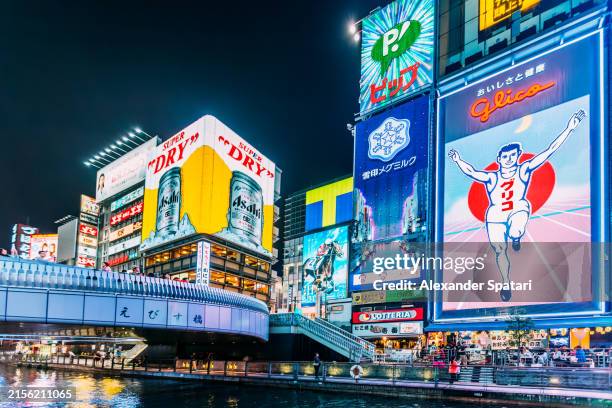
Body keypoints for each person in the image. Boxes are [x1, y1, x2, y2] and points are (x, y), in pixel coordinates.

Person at [448, 110, 586, 301]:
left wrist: (569, 128)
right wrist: (457, 160)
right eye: (505, 157)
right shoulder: (492, 177)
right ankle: (506, 283)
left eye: (513, 156)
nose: (509, 159)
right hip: (495, 214)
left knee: (516, 226)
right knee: (499, 249)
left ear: (518, 156)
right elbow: (471, 172)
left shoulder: (523, 169)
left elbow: (549, 151)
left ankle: (516, 236)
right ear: (499, 160)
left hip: (517, 208)